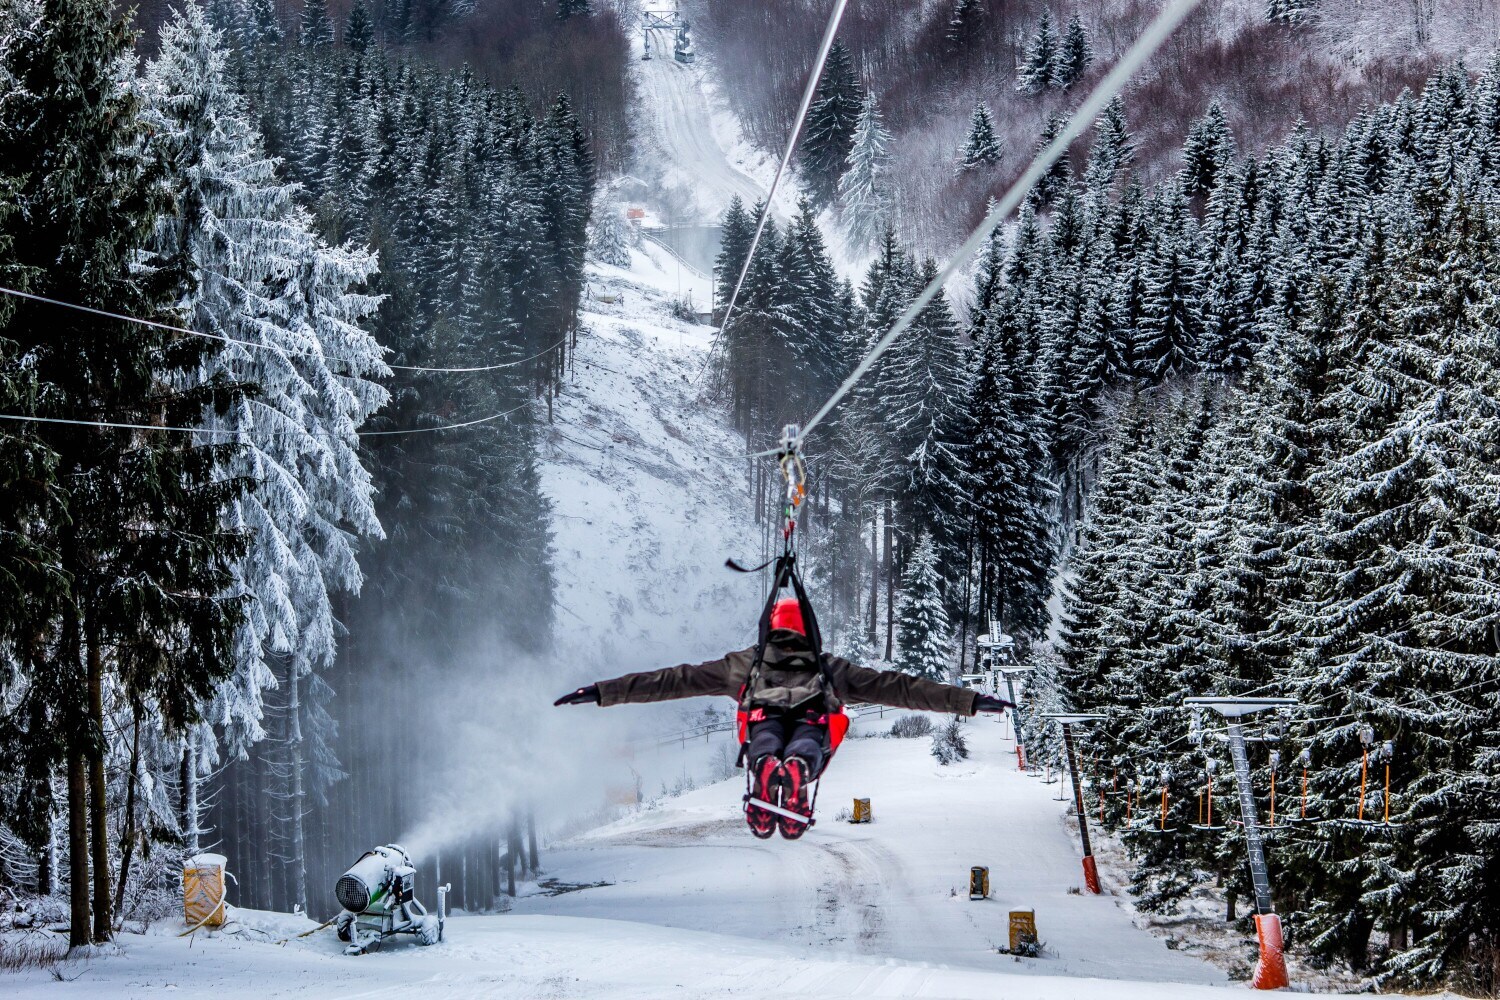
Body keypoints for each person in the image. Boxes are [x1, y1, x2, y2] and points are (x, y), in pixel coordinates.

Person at [555, 597, 1013, 840]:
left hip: (761, 715)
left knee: (763, 735)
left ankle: (766, 763)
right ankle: (798, 766)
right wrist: (970, 701)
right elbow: (902, 688)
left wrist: (601, 692)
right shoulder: (830, 667)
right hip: (815, 718)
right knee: (811, 739)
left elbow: (672, 680)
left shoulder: (743, 664)